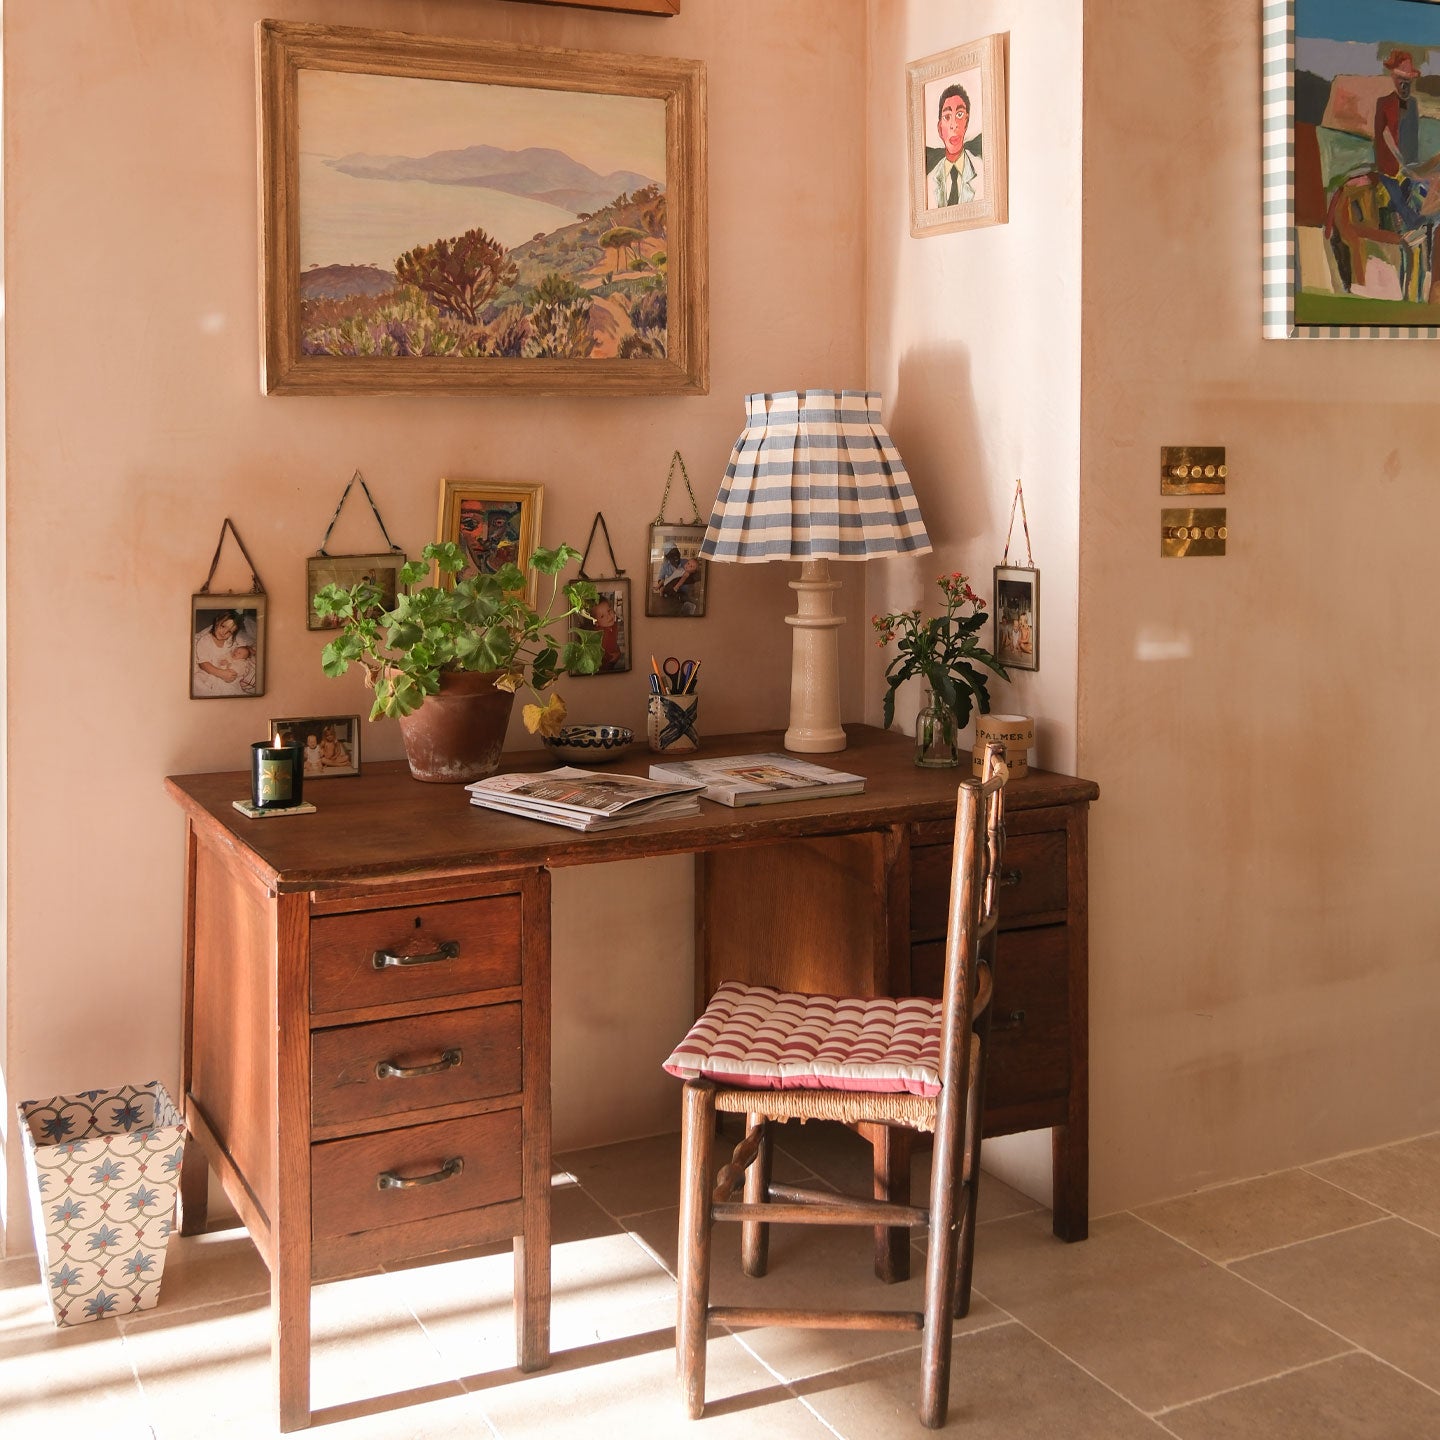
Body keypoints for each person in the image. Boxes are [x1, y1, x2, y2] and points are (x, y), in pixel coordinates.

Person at [1373, 50, 1440, 237]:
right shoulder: (1384, 103)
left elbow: (1412, 141)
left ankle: (1426, 222)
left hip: (1410, 164)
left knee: (1429, 185)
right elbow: (1383, 138)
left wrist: (1417, 168)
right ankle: (1411, 222)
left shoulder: (1412, 104)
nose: (1404, 85)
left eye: (1407, 81)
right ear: (1393, 79)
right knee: (1402, 202)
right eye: (1400, 80)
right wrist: (1403, 167)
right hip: (1391, 168)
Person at [926, 82, 983, 209]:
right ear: (940, 128)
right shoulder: (929, 181)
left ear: (966, 123)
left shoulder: (982, 171)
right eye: (947, 117)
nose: (954, 125)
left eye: (959, 115)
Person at [193, 611, 251, 697]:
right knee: (196, 681)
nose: (224, 632)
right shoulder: (205, 641)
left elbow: (243, 648)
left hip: (228, 675)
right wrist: (221, 673)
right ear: (217, 622)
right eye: (223, 626)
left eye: (230, 631)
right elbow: (203, 663)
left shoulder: (230, 641)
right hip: (209, 673)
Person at [589, 594, 623, 671]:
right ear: (595, 622)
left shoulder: (613, 626)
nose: (609, 616)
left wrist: (618, 652)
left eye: (609, 611)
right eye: (602, 616)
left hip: (611, 663)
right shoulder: (598, 634)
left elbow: (614, 643)